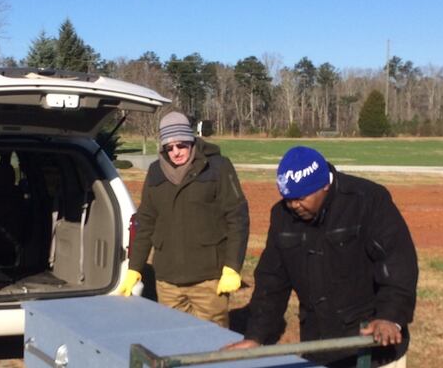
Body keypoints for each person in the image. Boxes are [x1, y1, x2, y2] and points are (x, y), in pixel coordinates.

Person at [224, 146, 418, 368]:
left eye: (300, 197)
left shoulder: (367, 201)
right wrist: (256, 337)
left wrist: (390, 316)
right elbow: (272, 282)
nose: (293, 205)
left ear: (324, 184)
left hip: (371, 347)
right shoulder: (282, 216)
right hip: (319, 347)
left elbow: (398, 263)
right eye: (287, 198)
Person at [118, 111, 249, 327]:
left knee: (212, 345)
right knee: (174, 342)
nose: (176, 152)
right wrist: (135, 267)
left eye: (181, 145)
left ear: (191, 140)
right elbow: (146, 221)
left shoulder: (218, 167)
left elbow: (237, 217)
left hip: (208, 280)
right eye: (169, 148)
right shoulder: (155, 172)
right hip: (167, 281)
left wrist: (232, 267)